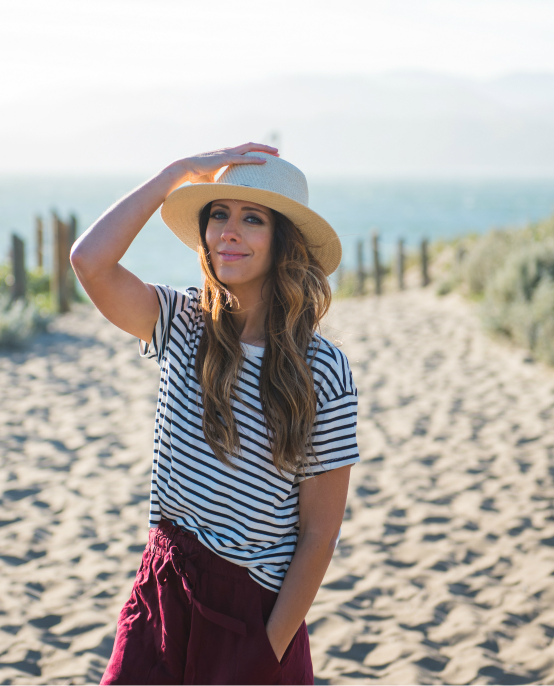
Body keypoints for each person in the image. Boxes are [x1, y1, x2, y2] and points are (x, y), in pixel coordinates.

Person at [70, 143, 359, 684]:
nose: (229, 231)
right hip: (163, 591)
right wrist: (174, 175)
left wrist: (265, 650)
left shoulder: (322, 370)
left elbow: (319, 534)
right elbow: (89, 261)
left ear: (283, 241)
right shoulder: (180, 323)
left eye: (253, 219)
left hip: (252, 615)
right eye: (218, 214)